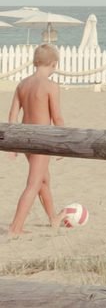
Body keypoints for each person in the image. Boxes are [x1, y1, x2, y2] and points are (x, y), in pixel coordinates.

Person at [8, 45, 64, 236]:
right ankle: (15, 228)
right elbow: (57, 118)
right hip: (42, 139)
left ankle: (53, 218)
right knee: (33, 183)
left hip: (24, 138)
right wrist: (64, 145)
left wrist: (13, 144)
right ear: (54, 64)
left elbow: (13, 116)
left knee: (43, 180)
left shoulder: (22, 85)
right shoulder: (50, 86)